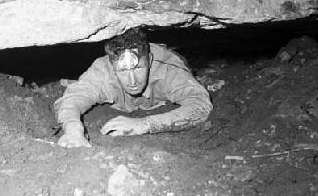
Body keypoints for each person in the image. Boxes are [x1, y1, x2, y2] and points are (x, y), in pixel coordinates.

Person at [54, 27, 213, 148]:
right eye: (123, 71)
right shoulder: (103, 71)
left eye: (138, 68)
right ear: (112, 65)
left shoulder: (167, 70)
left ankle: (202, 76)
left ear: (149, 60)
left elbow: (201, 105)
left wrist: (144, 124)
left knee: (187, 72)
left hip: (173, 63)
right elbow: (71, 100)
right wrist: (73, 129)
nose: (132, 81)